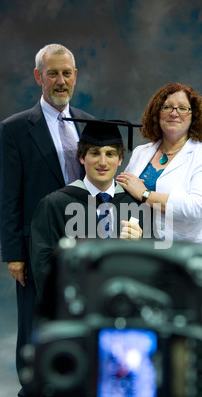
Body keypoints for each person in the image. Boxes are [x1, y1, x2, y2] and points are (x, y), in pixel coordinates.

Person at [0, 43, 94, 397]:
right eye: (52, 73)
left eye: (67, 72)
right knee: (34, 322)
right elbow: (8, 196)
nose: (61, 80)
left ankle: (68, 394)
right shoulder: (17, 128)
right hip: (36, 246)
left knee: (78, 318)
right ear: (38, 76)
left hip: (84, 243)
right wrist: (13, 253)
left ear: (76, 75)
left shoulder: (89, 123)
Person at [29, 119, 153, 302]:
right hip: (76, 307)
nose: (103, 162)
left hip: (126, 308)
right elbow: (43, 267)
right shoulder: (55, 205)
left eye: (110, 154)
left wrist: (139, 245)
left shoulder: (138, 206)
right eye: (95, 153)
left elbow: (152, 265)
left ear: (120, 160)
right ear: (81, 157)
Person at [116, 82, 202, 255]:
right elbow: (126, 195)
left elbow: (198, 207)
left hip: (190, 253)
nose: (174, 113)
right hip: (149, 250)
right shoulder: (141, 153)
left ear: (193, 116)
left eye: (183, 108)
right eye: (167, 107)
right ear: (157, 113)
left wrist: (145, 194)